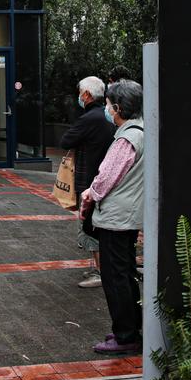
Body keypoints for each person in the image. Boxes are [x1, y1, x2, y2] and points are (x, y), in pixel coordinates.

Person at [81, 80, 144, 354]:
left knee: (115, 276)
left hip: (117, 218)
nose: (107, 109)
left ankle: (125, 335)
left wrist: (90, 194)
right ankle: (129, 328)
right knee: (126, 273)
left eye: (108, 105)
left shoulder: (126, 138)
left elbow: (107, 176)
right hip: (128, 216)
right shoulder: (143, 131)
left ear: (118, 108)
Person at [60, 76, 114, 288]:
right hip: (107, 178)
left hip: (90, 180)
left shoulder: (89, 118)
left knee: (90, 225)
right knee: (100, 225)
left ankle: (99, 271)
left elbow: (65, 141)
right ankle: (101, 269)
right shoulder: (109, 116)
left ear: (87, 95)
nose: (79, 97)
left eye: (80, 93)